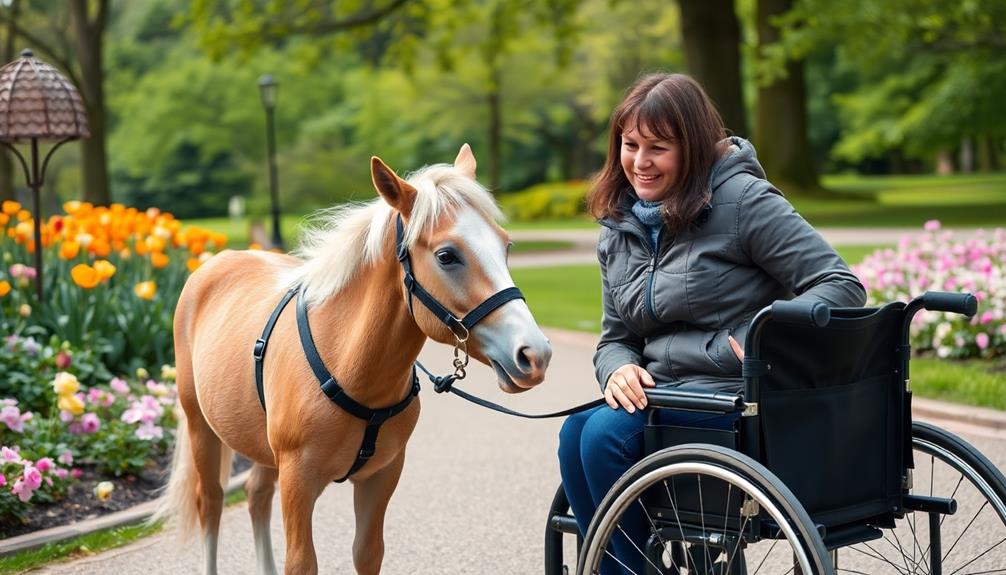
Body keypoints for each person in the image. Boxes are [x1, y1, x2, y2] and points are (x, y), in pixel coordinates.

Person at [557, 73, 867, 573]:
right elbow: (616, 337)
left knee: (599, 438)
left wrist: (767, 336)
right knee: (575, 432)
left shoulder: (744, 202)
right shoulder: (618, 226)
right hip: (667, 393)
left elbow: (840, 285)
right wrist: (616, 368)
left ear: (695, 147)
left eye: (658, 147)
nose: (639, 162)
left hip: (733, 395)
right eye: (629, 144)